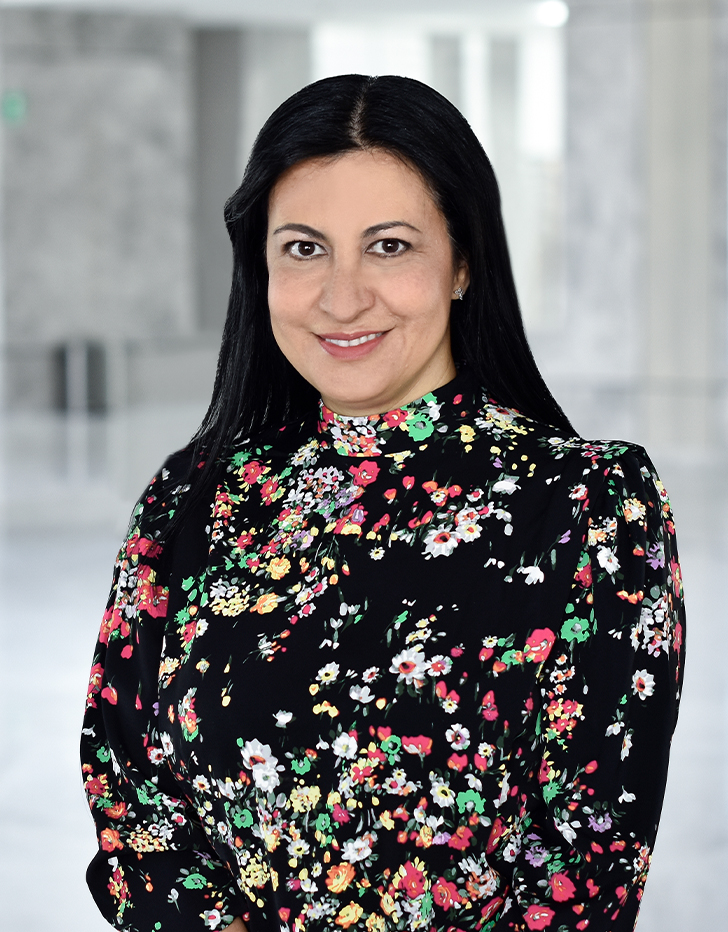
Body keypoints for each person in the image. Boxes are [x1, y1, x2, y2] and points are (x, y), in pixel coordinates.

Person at [81, 74, 685, 932]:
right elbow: (127, 787)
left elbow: (587, 863)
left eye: (390, 246)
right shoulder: (192, 498)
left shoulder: (588, 506)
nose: (341, 296)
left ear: (465, 259)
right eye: (303, 248)